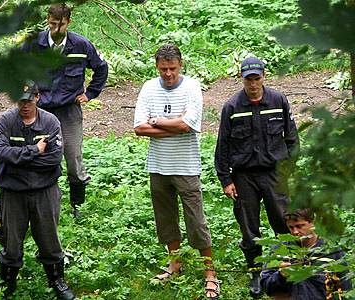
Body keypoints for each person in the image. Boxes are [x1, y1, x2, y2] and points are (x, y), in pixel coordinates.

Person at [134, 44, 219, 300]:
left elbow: (188, 125)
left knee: (196, 220)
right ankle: (175, 263)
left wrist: (156, 121)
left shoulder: (191, 87)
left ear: (180, 65)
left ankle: (210, 272)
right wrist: (174, 125)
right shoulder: (149, 87)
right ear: (156, 66)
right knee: (166, 218)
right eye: (163, 69)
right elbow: (139, 128)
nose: (168, 74)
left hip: (185, 165)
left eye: (172, 68)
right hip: (158, 165)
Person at [214, 57, 299, 297]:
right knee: (249, 228)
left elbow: (292, 138)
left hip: (274, 173)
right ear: (242, 79)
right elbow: (223, 145)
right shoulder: (232, 106)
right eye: (248, 79)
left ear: (264, 76)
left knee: (283, 223)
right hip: (244, 176)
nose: (253, 84)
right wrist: (225, 179)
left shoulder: (278, 100)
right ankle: (256, 272)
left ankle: (288, 270)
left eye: (257, 78)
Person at [21, 3, 108, 217]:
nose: (55, 29)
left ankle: (77, 205)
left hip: (69, 111)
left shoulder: (81, 45)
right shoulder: (34, 44)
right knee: (37, 156)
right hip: (41, 111)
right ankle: (39, 205)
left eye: (60, 25)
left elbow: (101, 67)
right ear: (47, 20)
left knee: (73, 158)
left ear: (68, 22)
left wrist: (90, 94)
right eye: (51, 24)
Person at [0, 83, 75, 300]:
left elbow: (54, 158)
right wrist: (34, 151)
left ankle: (56, 279)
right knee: (10, 240)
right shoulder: (5, 121)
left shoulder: (50, 122)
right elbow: (2, 153)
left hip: (44, 191)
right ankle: (7, 280)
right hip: (12, 192)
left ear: (38, 98)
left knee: (49, 237)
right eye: (20, 100)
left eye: (29, 100)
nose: (24, 105)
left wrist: (19, 160)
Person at [261, 208, 351, 299]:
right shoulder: (279, 251)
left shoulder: (330, 251)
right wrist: (280, 275)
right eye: (291, 227)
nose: (295, 232)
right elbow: (267, 288)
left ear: (313, 223)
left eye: (300, 226)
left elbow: (346, 286)